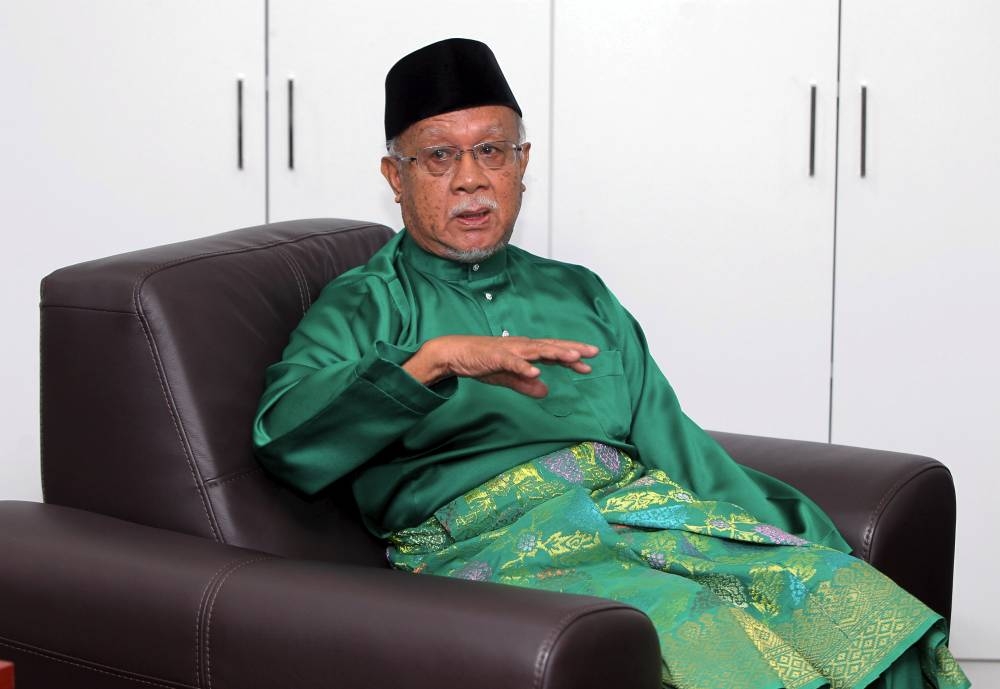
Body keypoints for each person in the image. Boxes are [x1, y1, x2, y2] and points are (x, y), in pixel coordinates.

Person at [253, 38, 968, 689]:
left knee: (861, 611)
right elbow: (287, 438)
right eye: (439, 156)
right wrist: (433, 362)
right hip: (492, 553)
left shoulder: (578, 292)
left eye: (493, 151)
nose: (470, 179)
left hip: (643, 518)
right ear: (395, 176)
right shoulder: (364, 304)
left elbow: (676, 447)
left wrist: (815, 545)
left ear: (523, 165)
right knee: (707, 640)